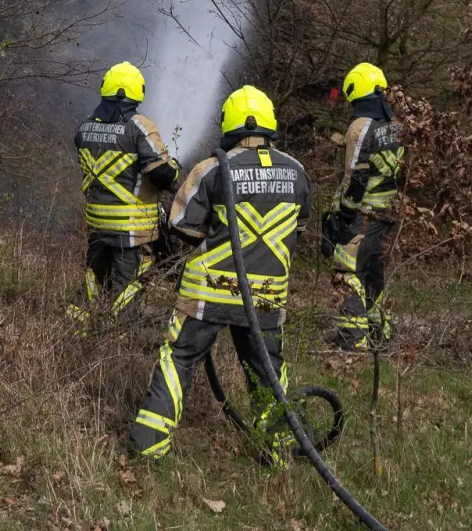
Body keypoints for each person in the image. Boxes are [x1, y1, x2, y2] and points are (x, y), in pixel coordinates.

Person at [129, 86, 312, 465]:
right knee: (267, 372)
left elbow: (182, 227)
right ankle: (278, 454)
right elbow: (301, 228)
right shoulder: (296, 171)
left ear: (228, 125)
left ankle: (147, 448)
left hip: (208, 292)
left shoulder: (212, 169)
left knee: (178, 358)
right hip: (264, 298)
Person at [69, 62, 181, 329]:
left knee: (94, 280)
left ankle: (75, 332)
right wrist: (175, 171)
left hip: (97, 224)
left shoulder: (85, 127)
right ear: (138, 92)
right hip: (132, 229)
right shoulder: (138, 126)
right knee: (129, 285)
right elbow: (162, 174)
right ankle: (118, 338)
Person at [321, 62, 405, 351]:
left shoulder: (361, 126)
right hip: (388, 212)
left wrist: (343, 213)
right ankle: (380, 334)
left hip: (363, 213)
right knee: (373, 272)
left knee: (348, 271)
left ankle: (351, 339)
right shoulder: (395, 125)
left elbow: (356, 175)